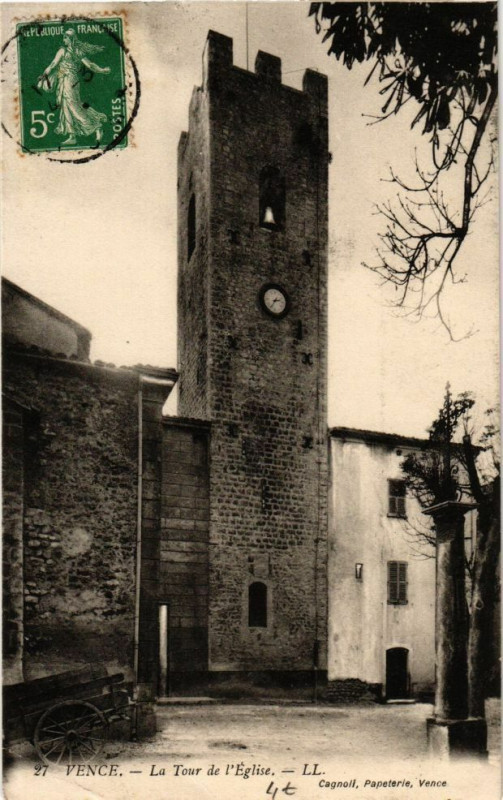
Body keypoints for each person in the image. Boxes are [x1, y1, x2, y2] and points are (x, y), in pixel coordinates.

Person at [37, 29, 111, 145]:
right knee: (66, 106)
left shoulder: (71, 51)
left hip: (70, 80)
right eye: (63, 37)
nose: (63, 40)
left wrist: (101, 70)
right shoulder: (68, 50)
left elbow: (89, 65)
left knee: (73, 106)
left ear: (71, 39)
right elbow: (53, 65)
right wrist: (43, 77)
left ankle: (96, 127)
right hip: (65, 80)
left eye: (65, 38)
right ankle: (72, 136)